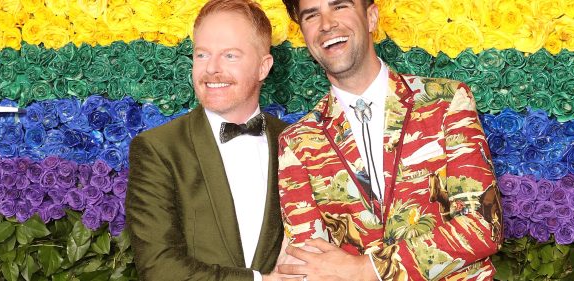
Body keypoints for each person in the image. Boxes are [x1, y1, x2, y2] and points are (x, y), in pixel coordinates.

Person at [276, 0, 503, 280]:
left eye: (339, 7)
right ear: (304, 35)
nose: (326, 24)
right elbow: (309, 263)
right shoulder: (297, 142)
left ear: (371, 18)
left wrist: (369, 269)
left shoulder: (446, 101)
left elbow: (483, 226)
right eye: (312, 15)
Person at [125, 1, 288, 280]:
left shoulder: (296, 141)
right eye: (202, 55)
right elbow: (158, 267)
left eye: (230, 56)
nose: (212, 68)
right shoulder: (158, 148)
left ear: (263, 67)